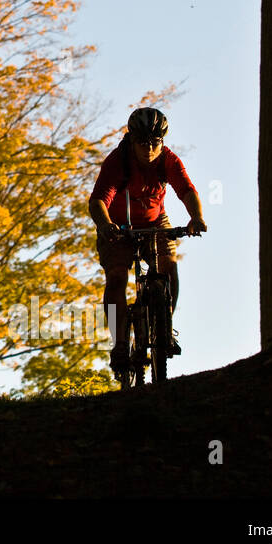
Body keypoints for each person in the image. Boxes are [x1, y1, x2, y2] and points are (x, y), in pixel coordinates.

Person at [87, 107, 207, 376]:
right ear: (132, 140)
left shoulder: (168, 160)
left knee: (168, 268)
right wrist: (105, 225)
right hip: (117, 227)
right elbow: (98, 201)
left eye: (155, 142)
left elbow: (187, 190)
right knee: (117, 277)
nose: (150, 148)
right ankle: (120, 344)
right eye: (143, 142)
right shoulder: (119, 161)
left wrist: (196, 218)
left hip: (155, 222)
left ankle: (164, 326)